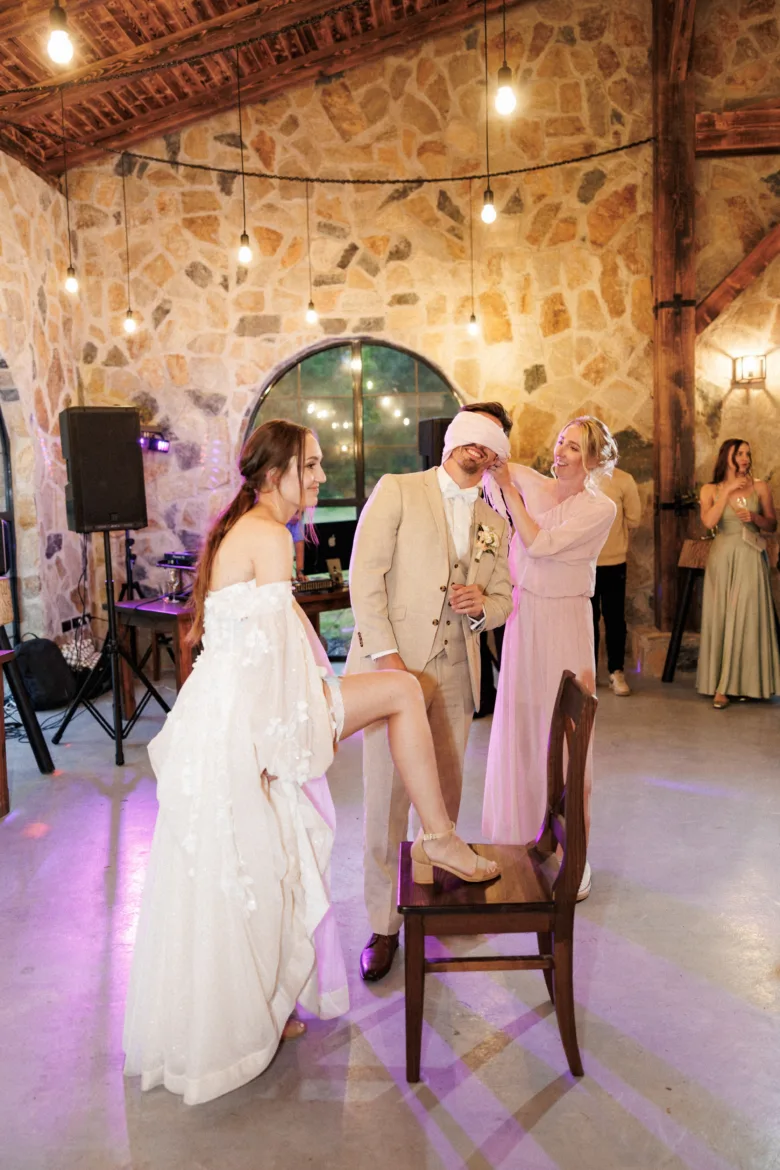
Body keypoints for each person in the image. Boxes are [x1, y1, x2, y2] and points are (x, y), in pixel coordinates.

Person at [123, 419, 499, 1106]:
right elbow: (271, 661)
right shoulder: (267, 535)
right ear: (276, 475)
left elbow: (287, 633)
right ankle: (440, 837)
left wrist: (328, 690)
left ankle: (268, 1009)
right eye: (312, 465)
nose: (322, 476)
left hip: (247, 705)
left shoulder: (253, 527)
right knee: (403, 693)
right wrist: (284, 743)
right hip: (259, 714)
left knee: (263, 862)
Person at [346, 403, 514, 982]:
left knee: (443, 789)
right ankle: (382, 925)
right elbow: (364, 578)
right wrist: (387, 661)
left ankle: (427, 895)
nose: (478, 447)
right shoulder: (398, 490)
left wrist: (482, 608)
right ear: (451, 440)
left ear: (497, 454)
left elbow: (505, 598)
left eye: (491, 440)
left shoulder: (495, 522)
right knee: (386, 798)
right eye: (472, 434)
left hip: (457, 671)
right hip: (391, 667)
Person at [482, 416, 618, 902]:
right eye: (560, 442)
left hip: (565, 624)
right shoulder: (534, 483)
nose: (561, 452)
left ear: (594, 459)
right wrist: (494, 467)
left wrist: (508, 490)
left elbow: (539, 544)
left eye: (574, 447)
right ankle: (520, 838)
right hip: (525, 620)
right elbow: (494, 468)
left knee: (567, 737)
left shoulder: (600, 508)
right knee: (523, 725)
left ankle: (574, 854)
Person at [696, 438, 779, 708]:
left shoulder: (760, 487)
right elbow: (709, 522)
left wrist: (755, 518)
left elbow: (772, 525)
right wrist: (727, 490)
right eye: (739, 454)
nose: (745, 458)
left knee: (747, 615)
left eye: (747, 454)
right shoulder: (709, 489)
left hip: (750, 555)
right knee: (722, 616)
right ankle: (721, 686)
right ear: (726, 458)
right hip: (722, 556)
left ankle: (747, 684)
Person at [591, 466, 641, 695]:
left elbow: (634, 519)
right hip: (582, 562)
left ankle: (616, 671)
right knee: (586, 620)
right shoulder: (578, 476)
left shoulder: (623, 479)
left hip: (614, 561)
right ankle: (588, 672)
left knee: (614, 619)